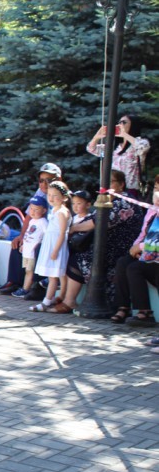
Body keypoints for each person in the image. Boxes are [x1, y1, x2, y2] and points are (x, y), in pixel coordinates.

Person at [0, 162, 63, 297]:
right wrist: (22, 236)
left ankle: (37, 288)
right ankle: (14, 282)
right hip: (39, 234)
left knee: (39, 248)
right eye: (41, 180)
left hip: (54, 238)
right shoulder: (40, 192)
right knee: (18, 244)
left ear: (58, 179)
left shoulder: (62, 195)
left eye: (49, 180)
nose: (44, 184)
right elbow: (29, 215)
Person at [112, 175, 159, 326]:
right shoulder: (152, 211)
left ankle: (145, 312)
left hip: (156, 258)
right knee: (123, 262)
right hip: (147, 253)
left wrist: (141, 247)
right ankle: (123, 307)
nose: (157, 193)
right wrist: (135, 248)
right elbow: (143, 233)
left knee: (134, 268)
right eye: (156, 189)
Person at [30, 181, 71, 312]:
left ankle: (46, 302)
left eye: (55, 195)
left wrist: (55, 250)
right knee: (54, 274)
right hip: (50, 244)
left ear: (64, 197)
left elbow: (63, 233)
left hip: (56, 246)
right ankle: (56, 297)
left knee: (53, 275)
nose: (51, 198)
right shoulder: (54, 210)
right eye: (49, 195)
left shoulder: (62, 212)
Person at [87, 113, 150, 198]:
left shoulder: (139, 143)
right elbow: (91, 149)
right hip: (112, 188)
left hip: (130, 189)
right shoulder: (115, 147)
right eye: (119, 122)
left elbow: (143, 147)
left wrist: (124, 134)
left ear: (133, 125)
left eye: (124, 122)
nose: (120, 125)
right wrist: (97, 137)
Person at [54, 190, 95, 314]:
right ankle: (62, 294)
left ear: (88, 204)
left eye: (79, 203)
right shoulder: (72, 218)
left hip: (81, 249)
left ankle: (69, 300)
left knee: (73, 262)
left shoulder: (89, 219)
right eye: (73, 203)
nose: (75, 206)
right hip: (69, 248)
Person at [106, 170, 144, 304]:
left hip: (123, 246)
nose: (106, 185)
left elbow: (100, 222)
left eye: (110, 182)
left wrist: (73, 228)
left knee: (88, 256)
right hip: (125, 246)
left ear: (121, 184)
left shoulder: (124, 201)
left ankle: (113, 303)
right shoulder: (109, 200)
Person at [11, 195, 49, 299]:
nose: (32, 211)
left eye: (36, 209)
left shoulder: (43, 222)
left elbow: (47, 236)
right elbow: (28, 235)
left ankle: (25, 289)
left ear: (44, 210)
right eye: (31, 208)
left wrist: (40, 244)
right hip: (27, 252)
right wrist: (23, 245)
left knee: (29, 271)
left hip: (33, 253)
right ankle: (26, 287)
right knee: (27, 271)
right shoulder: (32, 221)